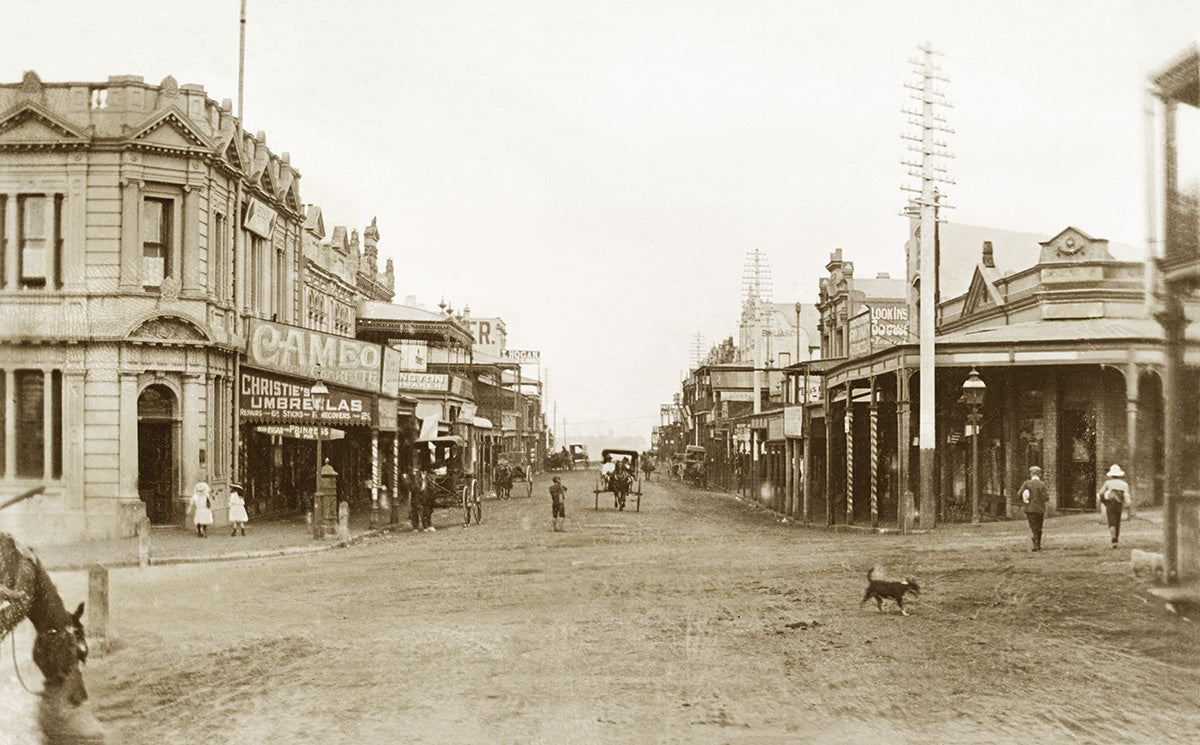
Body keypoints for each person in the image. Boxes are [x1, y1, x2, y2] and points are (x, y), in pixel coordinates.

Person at [1097, 464, 1133, 548]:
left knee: (1111, 521)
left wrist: (1104, 501)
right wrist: (1128, 504)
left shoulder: (1108, 483)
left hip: (1110, 504)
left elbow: (1101, 493)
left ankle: (1113, 540)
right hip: (1119, 504)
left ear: (1111, 475)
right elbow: (1126, 495)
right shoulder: (1124, 484)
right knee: (1117, 521)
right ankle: (1116, 538)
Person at [1017, 466, 1049, 552]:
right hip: (1040, 509)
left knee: (1033, 526)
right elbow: (1046, 497)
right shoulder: (1042, 484)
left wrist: (1025, 499)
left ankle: (1035, 544)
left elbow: (1019, 494)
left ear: (1031, 474)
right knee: (1039, 526)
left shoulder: (1027, 484)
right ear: (1039, 474)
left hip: (1030, 509)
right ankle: (1038, 544)